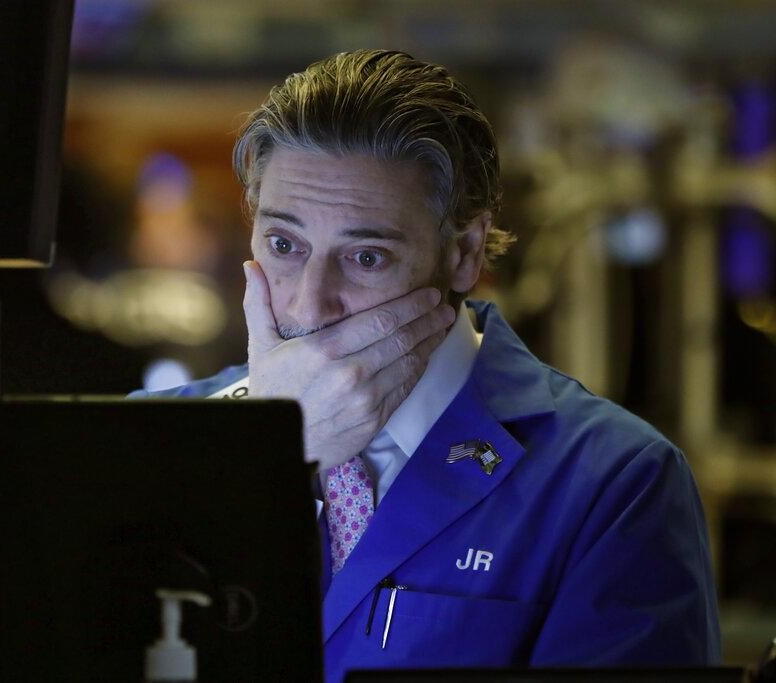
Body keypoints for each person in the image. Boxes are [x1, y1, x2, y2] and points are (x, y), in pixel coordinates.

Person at [132, 49, 721, 680]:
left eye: (366, 257)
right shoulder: (146, 440)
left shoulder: (614, 484)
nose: (309, 303)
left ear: (464, 252)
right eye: (284, 245)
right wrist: (270, 457)